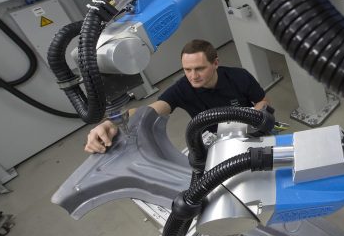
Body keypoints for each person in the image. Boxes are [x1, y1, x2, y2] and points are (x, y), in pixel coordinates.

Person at [85, 39, 270, 153]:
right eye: (187, 69)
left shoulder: (239, 76)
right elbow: (151, 110)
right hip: (216, 141)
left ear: (215, 63)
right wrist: (113, 122)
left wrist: (254, 120)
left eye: (199, 68)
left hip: (248, 132)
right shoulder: (182, 88)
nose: (193, 76)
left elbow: (262, 101)